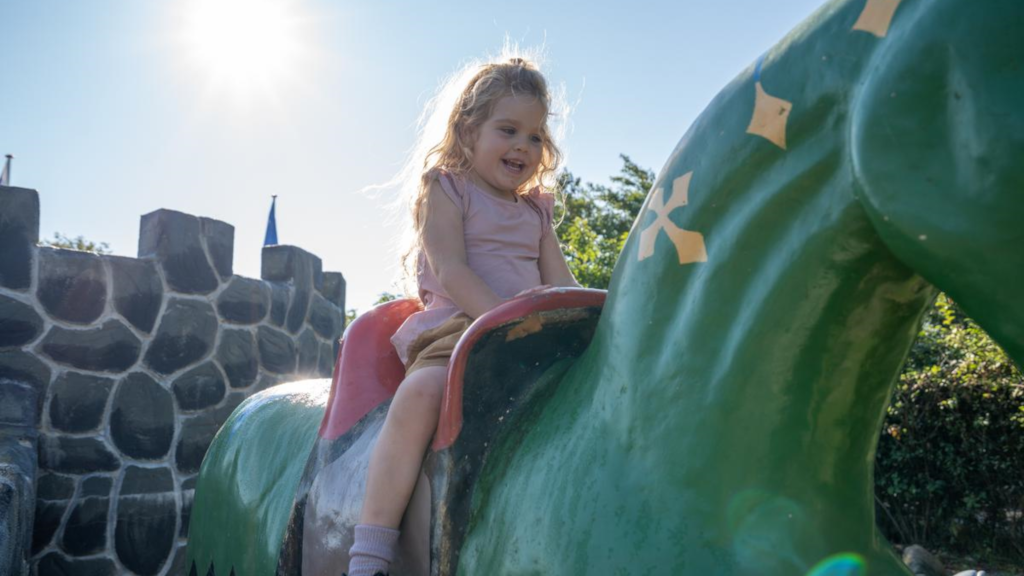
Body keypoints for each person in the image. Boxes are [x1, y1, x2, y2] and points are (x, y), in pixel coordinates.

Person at [346, 53, 579, 576]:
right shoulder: (446, 187)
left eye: (536, 136)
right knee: (422, 394)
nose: (524, 145)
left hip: (533, 335)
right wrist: (503, 322)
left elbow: (561, 282)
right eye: (508, 129)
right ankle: (371, 549)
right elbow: (450, 270)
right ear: (467, 129)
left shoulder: (536, 211)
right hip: (459, 331)